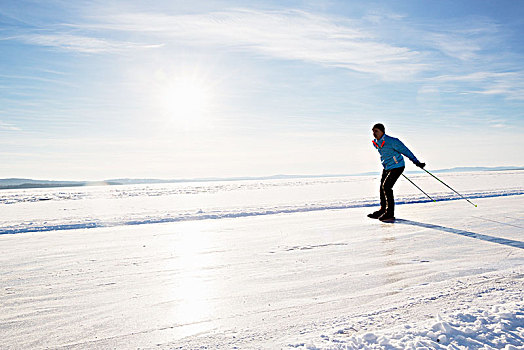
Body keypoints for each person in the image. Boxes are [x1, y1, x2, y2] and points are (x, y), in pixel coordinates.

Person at [368, 123, 425, 222]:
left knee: (386, 187)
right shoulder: (376, 143)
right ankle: (382, 210)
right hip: (387, 167)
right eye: (373, 131)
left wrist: (416, 162)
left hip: (397, 166)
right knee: (382, 188)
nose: (374, 133)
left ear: (382, 131)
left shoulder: (393, 141)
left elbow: (406, 151)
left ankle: (390, 213)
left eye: (376, 131)